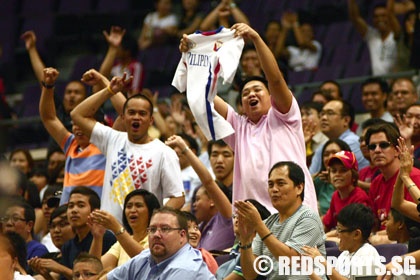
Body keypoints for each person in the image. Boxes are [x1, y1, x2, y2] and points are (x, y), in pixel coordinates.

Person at [179, 23, 318, 213]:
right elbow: (205, 95)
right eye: (245, 93)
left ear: (270, 96)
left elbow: (275, 79)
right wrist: (191, 56)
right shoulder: (238, 127)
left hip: (295, 214)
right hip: (251, 221)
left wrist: (256, 39)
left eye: (257, 90)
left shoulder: (286, 116)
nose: (251, 94)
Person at [70, 71, 185, 221]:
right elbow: (77, 114)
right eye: (131, 113)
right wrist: (109, 90)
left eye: (142, 114)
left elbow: (178, 198)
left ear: (151, 120)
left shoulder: (164, 152)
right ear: (123, 118)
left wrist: (153, 220)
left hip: (141, 237)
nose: (136, 117)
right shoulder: (112, 139)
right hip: (108, 233)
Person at [39, 67, 120, 205]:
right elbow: (49, 118)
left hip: (97, 218)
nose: (77, 128)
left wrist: (106, 84)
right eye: (75, 123)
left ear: (99, 124)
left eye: (84, 123)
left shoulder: (109, 143)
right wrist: (48, 86)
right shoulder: (71, 144)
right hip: (69, 218)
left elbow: (125, 114)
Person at [234, 161, 325, 279]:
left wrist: (258, 225)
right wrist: (245, 241)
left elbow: (291, 260)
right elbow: (250, 274)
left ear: (299, 188)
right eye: (270, 185)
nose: (274, 189)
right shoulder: (267, 223)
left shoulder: (308, 218)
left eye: (281, 184)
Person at [21, 30, 89, 156]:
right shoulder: (58, 111)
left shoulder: (92, 118)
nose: (72, 95)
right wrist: (31, 49)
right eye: (68, 92)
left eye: (77, 92)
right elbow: (44, 82)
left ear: (86, 99)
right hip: (53, 166)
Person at [102, 207, 216, 279]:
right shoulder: (145, 257)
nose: (156, 234)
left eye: (165, 229)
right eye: (152, 229)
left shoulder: (186, 268)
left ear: (182, 236)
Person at [166, 135, 235, 251]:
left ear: (213, 200)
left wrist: (184, 148)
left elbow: (208, 182)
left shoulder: (226, 218)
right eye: (214, 155)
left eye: (198, 199)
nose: (194, 204)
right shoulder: (199, 228)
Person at [302, 203, 383, 279]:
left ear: (356, 234)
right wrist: (308, 270)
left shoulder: (368, 254)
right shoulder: (344, 255)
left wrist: (322, 261)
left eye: (340, 230)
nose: (337, 234)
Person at [365, 124, 420, 233]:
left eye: (383, 145)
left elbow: (411, 226)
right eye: (372, 146)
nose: (377, 150)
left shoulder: (414, 177)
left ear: (397, 150)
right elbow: (374, 224)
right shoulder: (376, 183)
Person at [89, 189, 160, 271]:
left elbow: (146, 262)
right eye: (129, 206)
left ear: (151, 211)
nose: (132, 210)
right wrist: (97, 237)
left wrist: (116, 228)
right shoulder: (120, 243)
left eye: (139, 205)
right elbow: (94, 269)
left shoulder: (157, 238)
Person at [60, 187, 116, 280]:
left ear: (95, 212)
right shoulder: (67, 246)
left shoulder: (106, 238)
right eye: (70, 206)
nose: (74, 210)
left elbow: (97, 274)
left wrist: (60, 269)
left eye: (81, 206)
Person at [309, 100, 369, 174]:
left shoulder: (352, 142)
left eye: (330, 113)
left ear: (346, 120)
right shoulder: (323, 146)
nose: (323, 118)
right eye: (322, 113)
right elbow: (310, 177)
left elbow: (335, 175)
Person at [215, 199, 270, 280]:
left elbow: (238, 277)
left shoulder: (258, 248)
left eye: (241, 216)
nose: (237, 220)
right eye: (235, 216)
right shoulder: (236, 248)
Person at [323, 151, 372, 233]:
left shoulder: (359, 197)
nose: (337, 174)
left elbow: (353, 232)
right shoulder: (335, 195)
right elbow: (326, 225)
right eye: (334, 171)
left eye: (343, 170)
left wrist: (325, 237)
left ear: (353, 175)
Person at [347, 0, 399, 76]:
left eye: (383, 16)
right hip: (379, 83)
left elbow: (391, 12)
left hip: (397, 83)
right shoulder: (372, 36)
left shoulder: (398, 34)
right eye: (376, 16)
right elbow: (355, 18)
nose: (379, 19)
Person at [28, 205, 75, 280]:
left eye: (62, 224)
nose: (56, 230)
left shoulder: (79, 255)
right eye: (52, 226)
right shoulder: (47, 257)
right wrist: (45, 275)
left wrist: (61, 269)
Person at [300, 101, 329, 167]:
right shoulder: (297, 140)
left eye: (308, 114)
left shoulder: (325, 142)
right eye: (302, 115)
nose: (303, 118)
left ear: (321, 116)